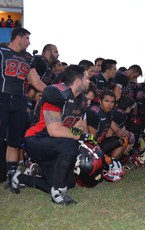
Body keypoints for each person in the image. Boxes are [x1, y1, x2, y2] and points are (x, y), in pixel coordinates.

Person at [7, 65, 96, 206]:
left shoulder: (81, 100)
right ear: (78, 81)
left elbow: (78, 127)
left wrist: (79, 135)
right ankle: (59, 191)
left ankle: (21, 178)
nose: (89, 81)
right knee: (70, 146)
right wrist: (79, 137)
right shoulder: (56, 93)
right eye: (86, 78)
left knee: (69, 183)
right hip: (37, 139)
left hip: (56, 144)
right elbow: (54, 130)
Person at [0, 28, 46, 185]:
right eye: (27, 38)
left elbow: (36, 81)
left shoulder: (28, 58)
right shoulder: (2, 50)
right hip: (2, 98)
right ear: (18, 38)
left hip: (19, 100)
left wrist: (55, 92)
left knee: (14, 140)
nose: (29, 42)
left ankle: (11, 176)